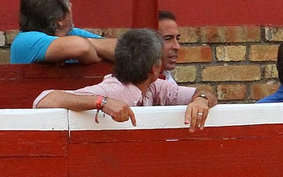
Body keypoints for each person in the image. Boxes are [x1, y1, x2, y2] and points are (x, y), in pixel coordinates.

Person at [34, 27, 214, 123]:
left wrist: (201, 100)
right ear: (155, 69)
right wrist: (102, 102)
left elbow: (205, 92)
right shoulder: (111, 90)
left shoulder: (155, 86)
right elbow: (43, 100)